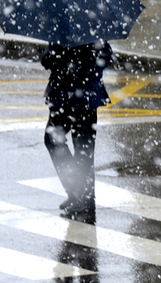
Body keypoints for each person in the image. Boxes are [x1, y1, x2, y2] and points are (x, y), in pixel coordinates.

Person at [41, 40, 112, 221]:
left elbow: (104, 57)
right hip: (69, 94)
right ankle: (78, 193)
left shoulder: (83, 30)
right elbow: (47, 59)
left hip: (80, 95)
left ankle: (82, 196)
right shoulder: (79, 27)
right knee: (68, 143)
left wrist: (75, 64)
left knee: (81, 147)